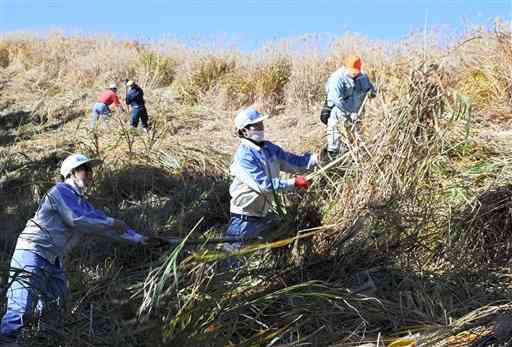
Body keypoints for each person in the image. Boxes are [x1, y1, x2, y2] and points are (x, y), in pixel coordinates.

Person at [0, 154, 144, 343]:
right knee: (20, 311)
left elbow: (106, 227)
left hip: (53, 259)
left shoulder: (81, 203)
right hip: (32, 253)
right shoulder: (60, 191)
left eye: (91, 170)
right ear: (72, 173)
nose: (91, 174)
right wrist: (112, 221)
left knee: (56, 310)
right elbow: (76, 219)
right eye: (86, 169)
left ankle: (45, 342)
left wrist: (141, 239)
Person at [224, 107, 317, 259]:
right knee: (232, 258)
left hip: (263, 214)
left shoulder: (269, 148)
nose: (261, 128)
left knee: (277, 240)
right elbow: (264, 186)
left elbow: (292, 161)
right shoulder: (243, 157)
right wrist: (294, 183)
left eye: (262, 124)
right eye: (257, 126)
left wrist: (314, 159)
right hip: (244, 218)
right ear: (244, 131)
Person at [324, 55, 377, 158]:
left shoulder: (362, 77)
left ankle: (354, 162)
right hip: (340, 117)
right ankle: (333, 162)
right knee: (335, 143)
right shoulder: (337, 78)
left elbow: (371, 90)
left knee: (356, 142)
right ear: (346, 67)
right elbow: (336, 100)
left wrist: (372, 92)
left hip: (357, 117)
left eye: (357, 71)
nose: (354, 73)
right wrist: (349, 113)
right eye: (352, 70)